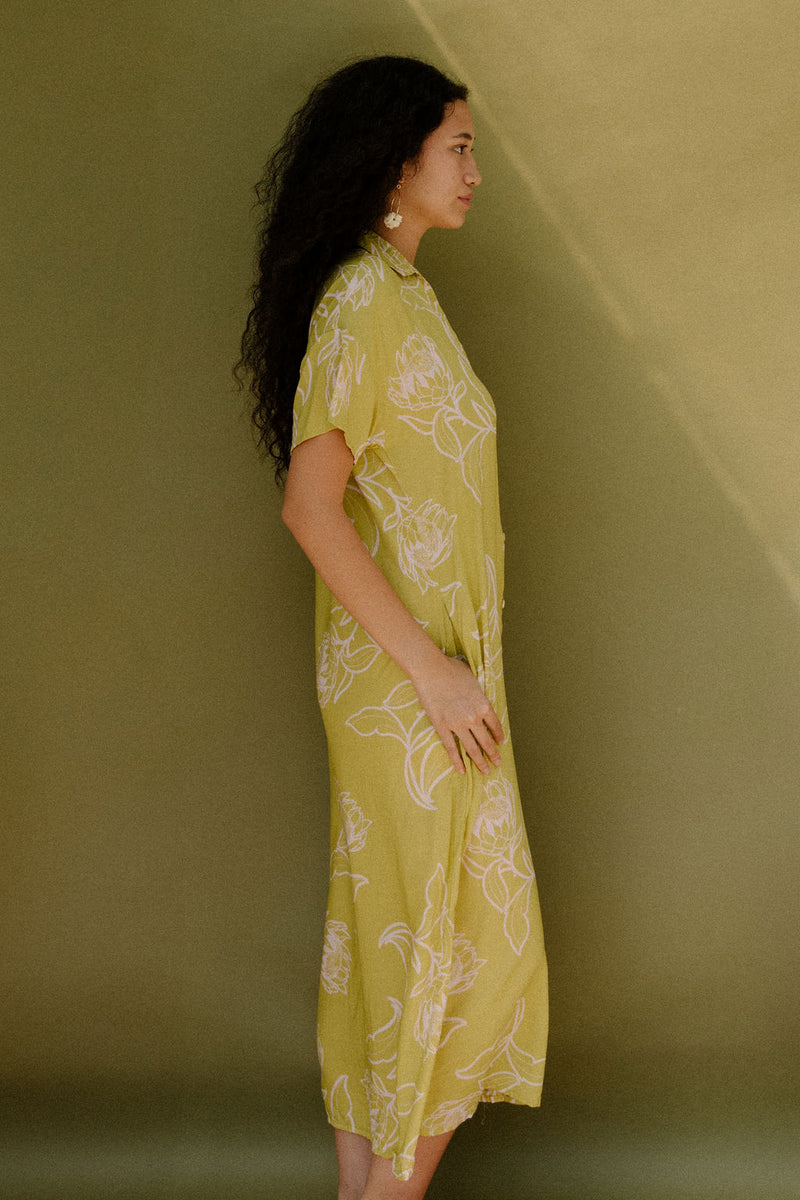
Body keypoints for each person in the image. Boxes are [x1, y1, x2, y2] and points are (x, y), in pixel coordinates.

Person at [237, 55, 548, 1200]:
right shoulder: (360, 300)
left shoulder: (402, 292)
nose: (475, 168)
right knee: (448, 939)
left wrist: (454, 674)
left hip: (441, 677)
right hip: (407, 682)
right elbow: (308, 508)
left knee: (412, 938)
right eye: (457, 146)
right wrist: (431, 676)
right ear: (395, 159)